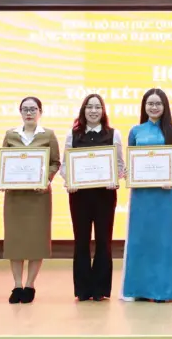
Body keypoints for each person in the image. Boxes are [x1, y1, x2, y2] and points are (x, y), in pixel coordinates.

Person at [121, 88, 172, 302]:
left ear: (164, 106)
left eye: (158, 103)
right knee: (141, 239)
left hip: (165, 194)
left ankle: (163, 291)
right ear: (144, 106)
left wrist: (171, 175)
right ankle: (139, 290)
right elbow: (130, 158)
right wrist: (129, 172)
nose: (154, 107)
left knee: (164, 240)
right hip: (141, 195)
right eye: (150, 103)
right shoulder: (136, 131)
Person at [63, 94, 124, 302]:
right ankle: (82, 289)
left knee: (103, 241)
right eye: (89, 107)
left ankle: (100, 289)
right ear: (83, 110)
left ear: (103, 111)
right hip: (79, 196)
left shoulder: (113, 134)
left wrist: (115, 178)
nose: (93, 111)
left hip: (105, 195)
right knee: (81, 241)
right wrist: (69, 180)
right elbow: (65, 166)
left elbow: (120, 165)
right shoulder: (72, 135)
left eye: (98, 107)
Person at [0, 96, 60, 304]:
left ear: (40, 112)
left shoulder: (48, 135)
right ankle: (17, 285)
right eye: (25, 109)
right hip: (15, 197)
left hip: (38, 197)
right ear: (20, 112)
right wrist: (3, 180)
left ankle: (30, 285)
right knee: (15, 241)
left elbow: (55, 163)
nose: (29, 113)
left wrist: (46, 179)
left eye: (33, 109)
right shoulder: (10, 135)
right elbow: (4, 163)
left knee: (36, 241)